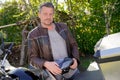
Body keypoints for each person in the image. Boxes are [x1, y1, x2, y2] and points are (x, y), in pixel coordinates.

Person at [27, 2, 80, 80]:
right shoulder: (33, 34)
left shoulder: (63, 27)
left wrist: (75, 59)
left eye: (50, 14)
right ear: (39, 15)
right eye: (45, 14)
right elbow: (32, 58)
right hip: (52, 75)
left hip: (72, 70)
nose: (48, 17)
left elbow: (74, 45)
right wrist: (46, 64)